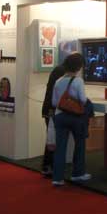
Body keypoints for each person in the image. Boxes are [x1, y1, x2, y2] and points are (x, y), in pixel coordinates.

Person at [51, 53, 90, 186]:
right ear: (79, 67)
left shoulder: (58, 81)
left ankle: (57, 178)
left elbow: (54, 101)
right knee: (80, 145)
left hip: (60, 116)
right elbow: (83, 100)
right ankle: (77, 173)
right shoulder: (78, 81)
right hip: (75, 117)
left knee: (60, 148)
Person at [40, 63, 66, 176]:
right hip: (52, 110)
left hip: (49, 109)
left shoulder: (58, 70)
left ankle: (48, 166)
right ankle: (48, 166)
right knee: (52, 138)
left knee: (51, 137)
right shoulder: (61, 73)